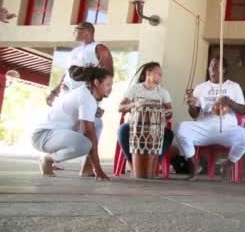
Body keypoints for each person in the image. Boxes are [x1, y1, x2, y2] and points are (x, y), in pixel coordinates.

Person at [46, 22, 113, 176]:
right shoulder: (74, 51)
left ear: (87, 31)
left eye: (76, 29)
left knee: (94, 126)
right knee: (64, 126)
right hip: (68, 96)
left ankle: (88, 168)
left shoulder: (99, 48)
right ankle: (52, 159)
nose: (73, 31)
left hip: (87, 96)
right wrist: (54, 92)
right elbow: (66, 74)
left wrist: (99, 100)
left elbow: (107, 72)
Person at [176, 56, 245, 181]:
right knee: (181, 128)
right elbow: (194, 115)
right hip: (203, 128)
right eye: (211, 66)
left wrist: (230, 102)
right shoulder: (200, 88)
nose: (212, 69)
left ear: (224, 69)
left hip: (227, 129)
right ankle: (195, 165)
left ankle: (228, 164)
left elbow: (242, 110)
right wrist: (191, 103)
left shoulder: (234, 86)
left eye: (216, 67)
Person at [31, 66, 113, 180]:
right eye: (108, 85)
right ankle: (48, 158)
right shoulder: (86, 98)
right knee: (85, 144)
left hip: (57, 134)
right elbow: (89, 133)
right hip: (43, 136)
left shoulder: (87, 94)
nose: (110, 88)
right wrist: (98, 169)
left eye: (111, 85)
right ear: (96, 83)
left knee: (97, 122)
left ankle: (86, 168)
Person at [117, 62, 174, 178]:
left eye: (160, 73)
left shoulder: (163, 92)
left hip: (156, 128)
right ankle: (133, 163)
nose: (160, 76)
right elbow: (120, 107)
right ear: (148, 73)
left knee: (169, 134)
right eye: (158, 73)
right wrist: (135, 104)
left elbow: (170, 112)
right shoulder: (136, 89)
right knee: (122, 130)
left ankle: (153, 164)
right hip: (134, 126)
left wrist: (163, 113)